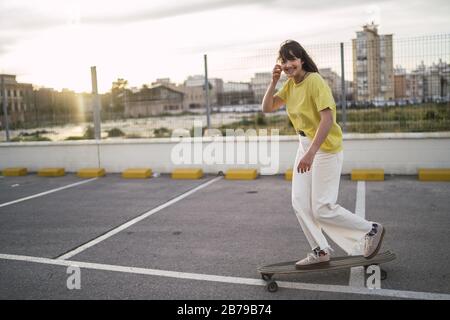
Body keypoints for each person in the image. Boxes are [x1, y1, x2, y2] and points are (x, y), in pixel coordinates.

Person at [262, 40, 385, 267]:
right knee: (299, 201)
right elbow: (267, 108)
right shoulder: (289, 85)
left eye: (292, 59)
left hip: (325, 148)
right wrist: (273, 82)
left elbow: (327, 120)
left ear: (301, 59)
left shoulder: (315, 81)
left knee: (322, 208)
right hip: (305, 145)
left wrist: (311, 153)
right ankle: (320, 251)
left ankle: (371, 229)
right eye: (284, 61)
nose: (288, 65)